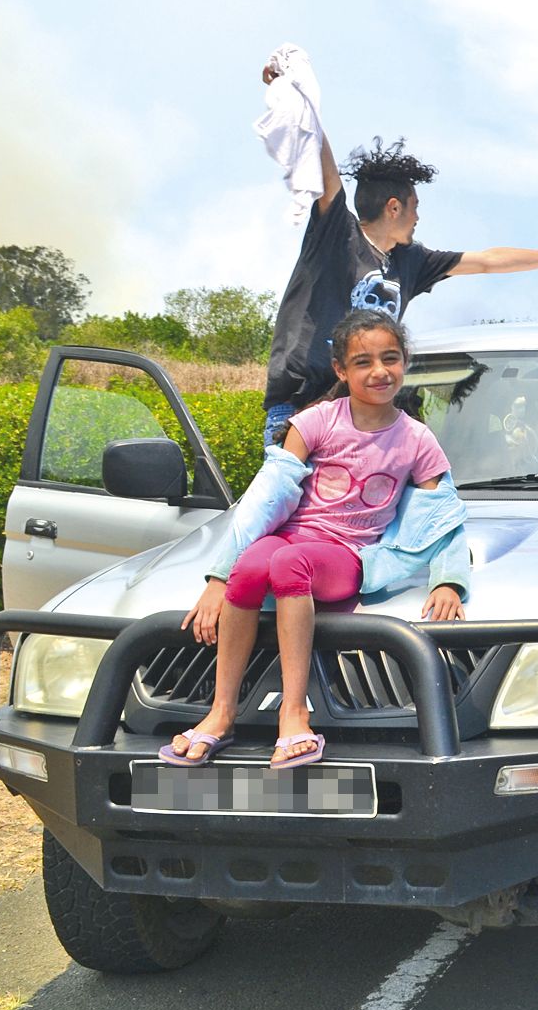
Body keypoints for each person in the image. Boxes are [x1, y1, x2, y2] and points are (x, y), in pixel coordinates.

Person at [163, 310, 468, 769]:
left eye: (390, 358)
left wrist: (449, 581)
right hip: (293, 538)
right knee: (250, 566)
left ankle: (294, 711)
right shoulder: (316, 422)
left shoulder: (417, 441)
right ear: (341, 371)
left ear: (405, 362)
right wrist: (217, 578)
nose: (379, 371)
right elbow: (266, 497)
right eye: (363, 362)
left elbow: (441, 517)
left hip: (346, 555)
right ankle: (221, 712)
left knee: (289, 565)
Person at [259, 112, 538, 449]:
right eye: (415, 206)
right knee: (297, 514)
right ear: (394, 207)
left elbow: (486, 262)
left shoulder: (410, 261)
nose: (418, 217)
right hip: (301, 409)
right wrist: (298, 94)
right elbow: (326, 173)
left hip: (364, 414)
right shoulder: (338, 237)